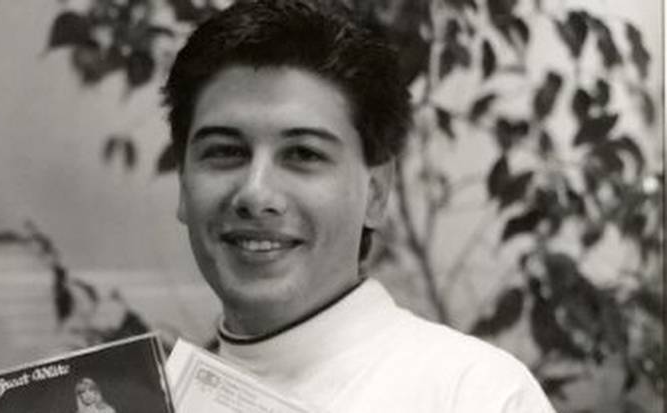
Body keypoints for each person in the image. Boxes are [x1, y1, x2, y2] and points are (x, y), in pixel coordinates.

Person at [162, 0, 557, 411]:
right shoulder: (150, 399)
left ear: (376, 193)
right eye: (225, 151)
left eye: (303, 154)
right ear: (183, 186)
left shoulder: (474, 393)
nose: (256, 194)